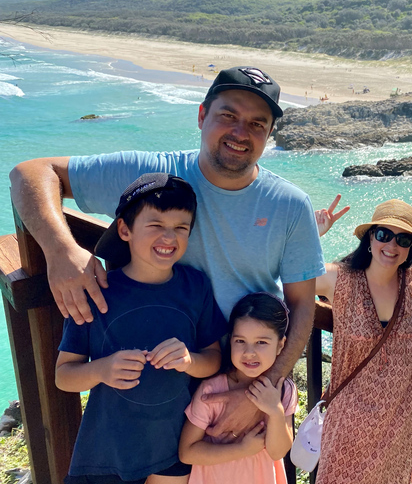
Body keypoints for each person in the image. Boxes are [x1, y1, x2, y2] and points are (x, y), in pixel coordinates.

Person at [10, 66, 336, 437]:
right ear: (201, 116)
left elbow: (303, 305)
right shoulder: (154, 178)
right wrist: (61, 250)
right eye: (228, 115)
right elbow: (30, 174)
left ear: (269, 134)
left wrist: (264, 388)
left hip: (246, 379)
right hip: (159, 379)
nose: (241, 132)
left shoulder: (290, 205)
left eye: (257, 124)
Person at [55, 173, 228, 484]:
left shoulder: (195, 286)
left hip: (173, 446)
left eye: (180, 228)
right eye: (156, 226)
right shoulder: (97, 293)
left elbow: (213, 359)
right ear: (125, 229)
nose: (169, 238)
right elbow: (64, 375)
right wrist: (102, 370)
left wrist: (189, 359)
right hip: (107, 451)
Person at [313, 199, 412, 484]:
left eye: (403, 239)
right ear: (370, 237)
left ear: (410, 247)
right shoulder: (338, 278)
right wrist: (314, 233)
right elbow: (283, 279)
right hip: (351, 419)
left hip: (404, 414)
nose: (392, 245)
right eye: (384, 234)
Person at [179, 292, 298, 484]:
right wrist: (241, 450)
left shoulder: (283, 390)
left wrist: (275, 413)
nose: (249, 353)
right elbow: (187, 452)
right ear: (230, 341)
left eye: (261, 342)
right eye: (240, 341)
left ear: (280, 345)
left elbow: (278, 452)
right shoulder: (212, 391)